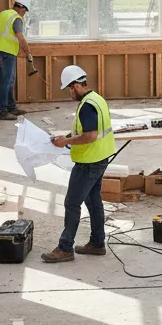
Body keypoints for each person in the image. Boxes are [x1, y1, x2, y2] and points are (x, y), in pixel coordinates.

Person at [41, 65, 116, 264]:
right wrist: (65, 137)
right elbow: (92, 131)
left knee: (72, 203)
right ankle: (97, 244)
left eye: (68, 89)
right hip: (100, 157)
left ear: (75, 85)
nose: (68, 93)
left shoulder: (87, 106)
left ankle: (65, 248)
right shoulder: (97, 99)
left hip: (88, 162)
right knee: (93, 201)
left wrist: (65, 142)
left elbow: (90, 135)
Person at [0, 0, 35, 121]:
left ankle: (11, 107)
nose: (24, 14)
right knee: (6, 82)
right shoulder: (16, 18)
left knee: (7, 81)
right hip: (6, 52)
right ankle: (2, 111)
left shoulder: (3, 14)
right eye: (25, 11)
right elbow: (20, 37)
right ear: (21, 8)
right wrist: (28, 52)